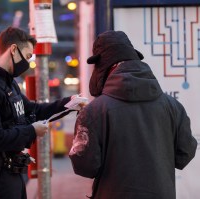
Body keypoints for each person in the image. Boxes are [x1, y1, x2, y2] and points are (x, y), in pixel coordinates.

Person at [69, 30, 197, 199]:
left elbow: (84, 165)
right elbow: (185, 153)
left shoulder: (93, 111)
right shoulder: (172, 106)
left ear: (103, 65)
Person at [0, 26, 76, 199]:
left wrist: (69, 103)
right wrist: (32, 131)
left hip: (12, 174)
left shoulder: (7, 82)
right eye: (28, 56)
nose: (28, 63)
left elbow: (33, 110)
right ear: (13, 49)